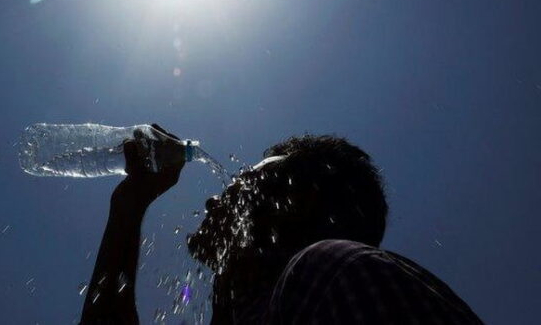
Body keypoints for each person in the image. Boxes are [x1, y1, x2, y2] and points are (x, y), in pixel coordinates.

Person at [80, 124, 482, 324]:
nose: (214, 198)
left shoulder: (332, 273)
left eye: (247, 185)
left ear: (299, 206)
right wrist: (129, 204)